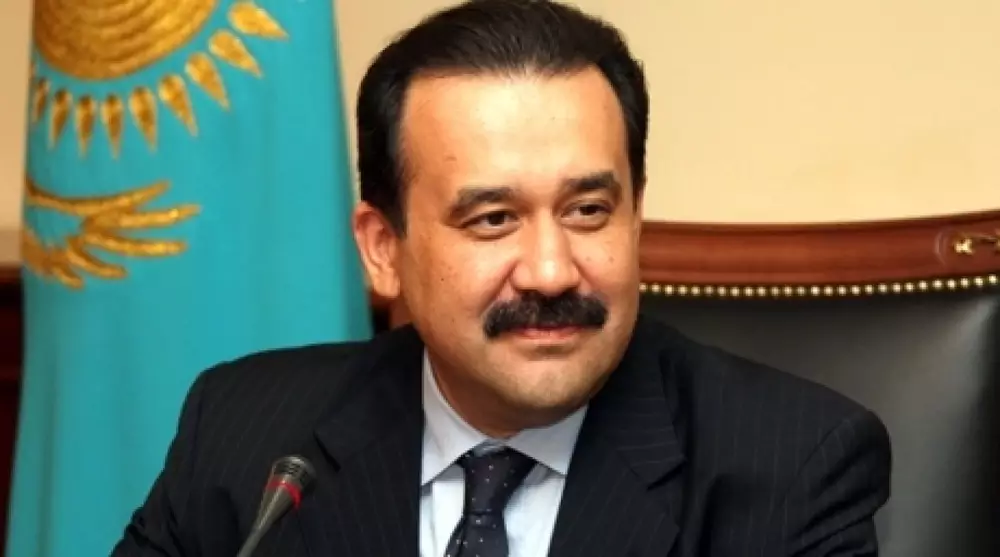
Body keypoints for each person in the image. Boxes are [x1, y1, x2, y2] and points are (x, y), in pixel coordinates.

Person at [112, 1, 892, 555]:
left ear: (635, 215)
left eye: (588, 210)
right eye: (492, 218)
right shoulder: (247, 437)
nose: (551, 271)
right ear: (383, 248)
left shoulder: (791, 468)